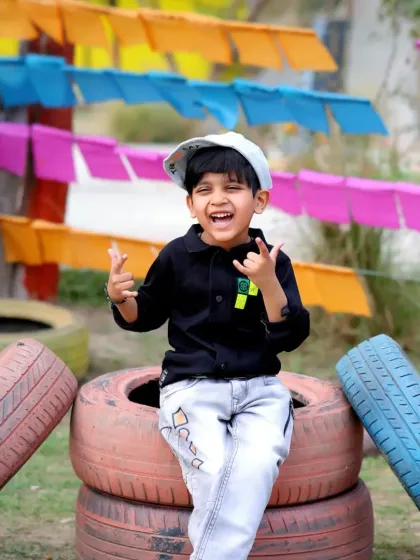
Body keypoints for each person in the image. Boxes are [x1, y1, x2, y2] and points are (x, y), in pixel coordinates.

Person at [105, 132, 310, 560]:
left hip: (259, 389)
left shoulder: (271, 260)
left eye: (233, 187)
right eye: (205, 190)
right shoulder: (177, 256)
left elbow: (289, 336)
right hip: (191, 388)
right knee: (215, 467)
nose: (219, 199)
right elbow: (144, 316)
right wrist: (121, 299)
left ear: (260, 200)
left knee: (254, 466)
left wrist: (268, 283)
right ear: (191, 204)